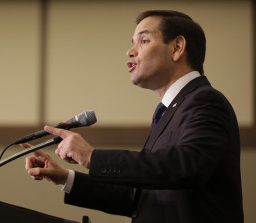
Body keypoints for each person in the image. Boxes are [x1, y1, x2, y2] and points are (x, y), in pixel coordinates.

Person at [22, 10, 244, 223]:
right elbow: (139, 197)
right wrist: (65, 177)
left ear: (177, 48)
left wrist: (92, 157)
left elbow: (185, 167)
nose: (130, 51)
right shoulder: (169, 112)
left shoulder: (205, 101)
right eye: (132, 42)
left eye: (144, 41)